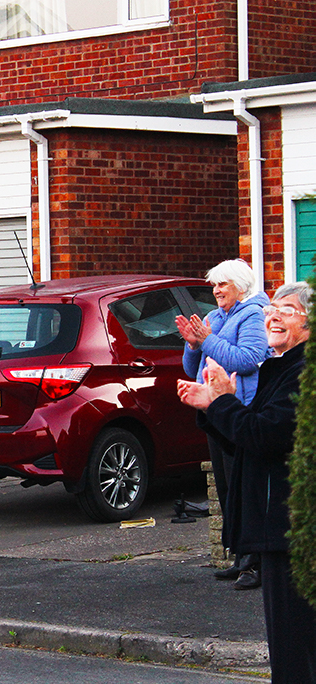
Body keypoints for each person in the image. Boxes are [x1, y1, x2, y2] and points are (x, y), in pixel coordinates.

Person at [177, 281, 316, 683]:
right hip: (282, 530)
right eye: (271, 309)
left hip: (294, 531)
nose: (272, 317)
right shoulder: (284, 368)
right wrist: (214, 406)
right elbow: (248, 443)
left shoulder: (304, 374)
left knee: (296, 648)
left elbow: (264, 435)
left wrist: (222, 402)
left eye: (286, 311)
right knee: (293, 645)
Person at [175, 259, 270, 589]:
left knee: (244, 487)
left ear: (241, 287)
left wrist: (207, 341)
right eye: (214, 285)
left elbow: (248, 360)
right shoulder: (213, 319)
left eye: (223, 284)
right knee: (227, 487)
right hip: (216, 413)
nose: (216, 291)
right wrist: (193, 344)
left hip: (241, 411)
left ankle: (254, 563)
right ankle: (238, 555)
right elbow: (192, 368)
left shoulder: (254, 315)